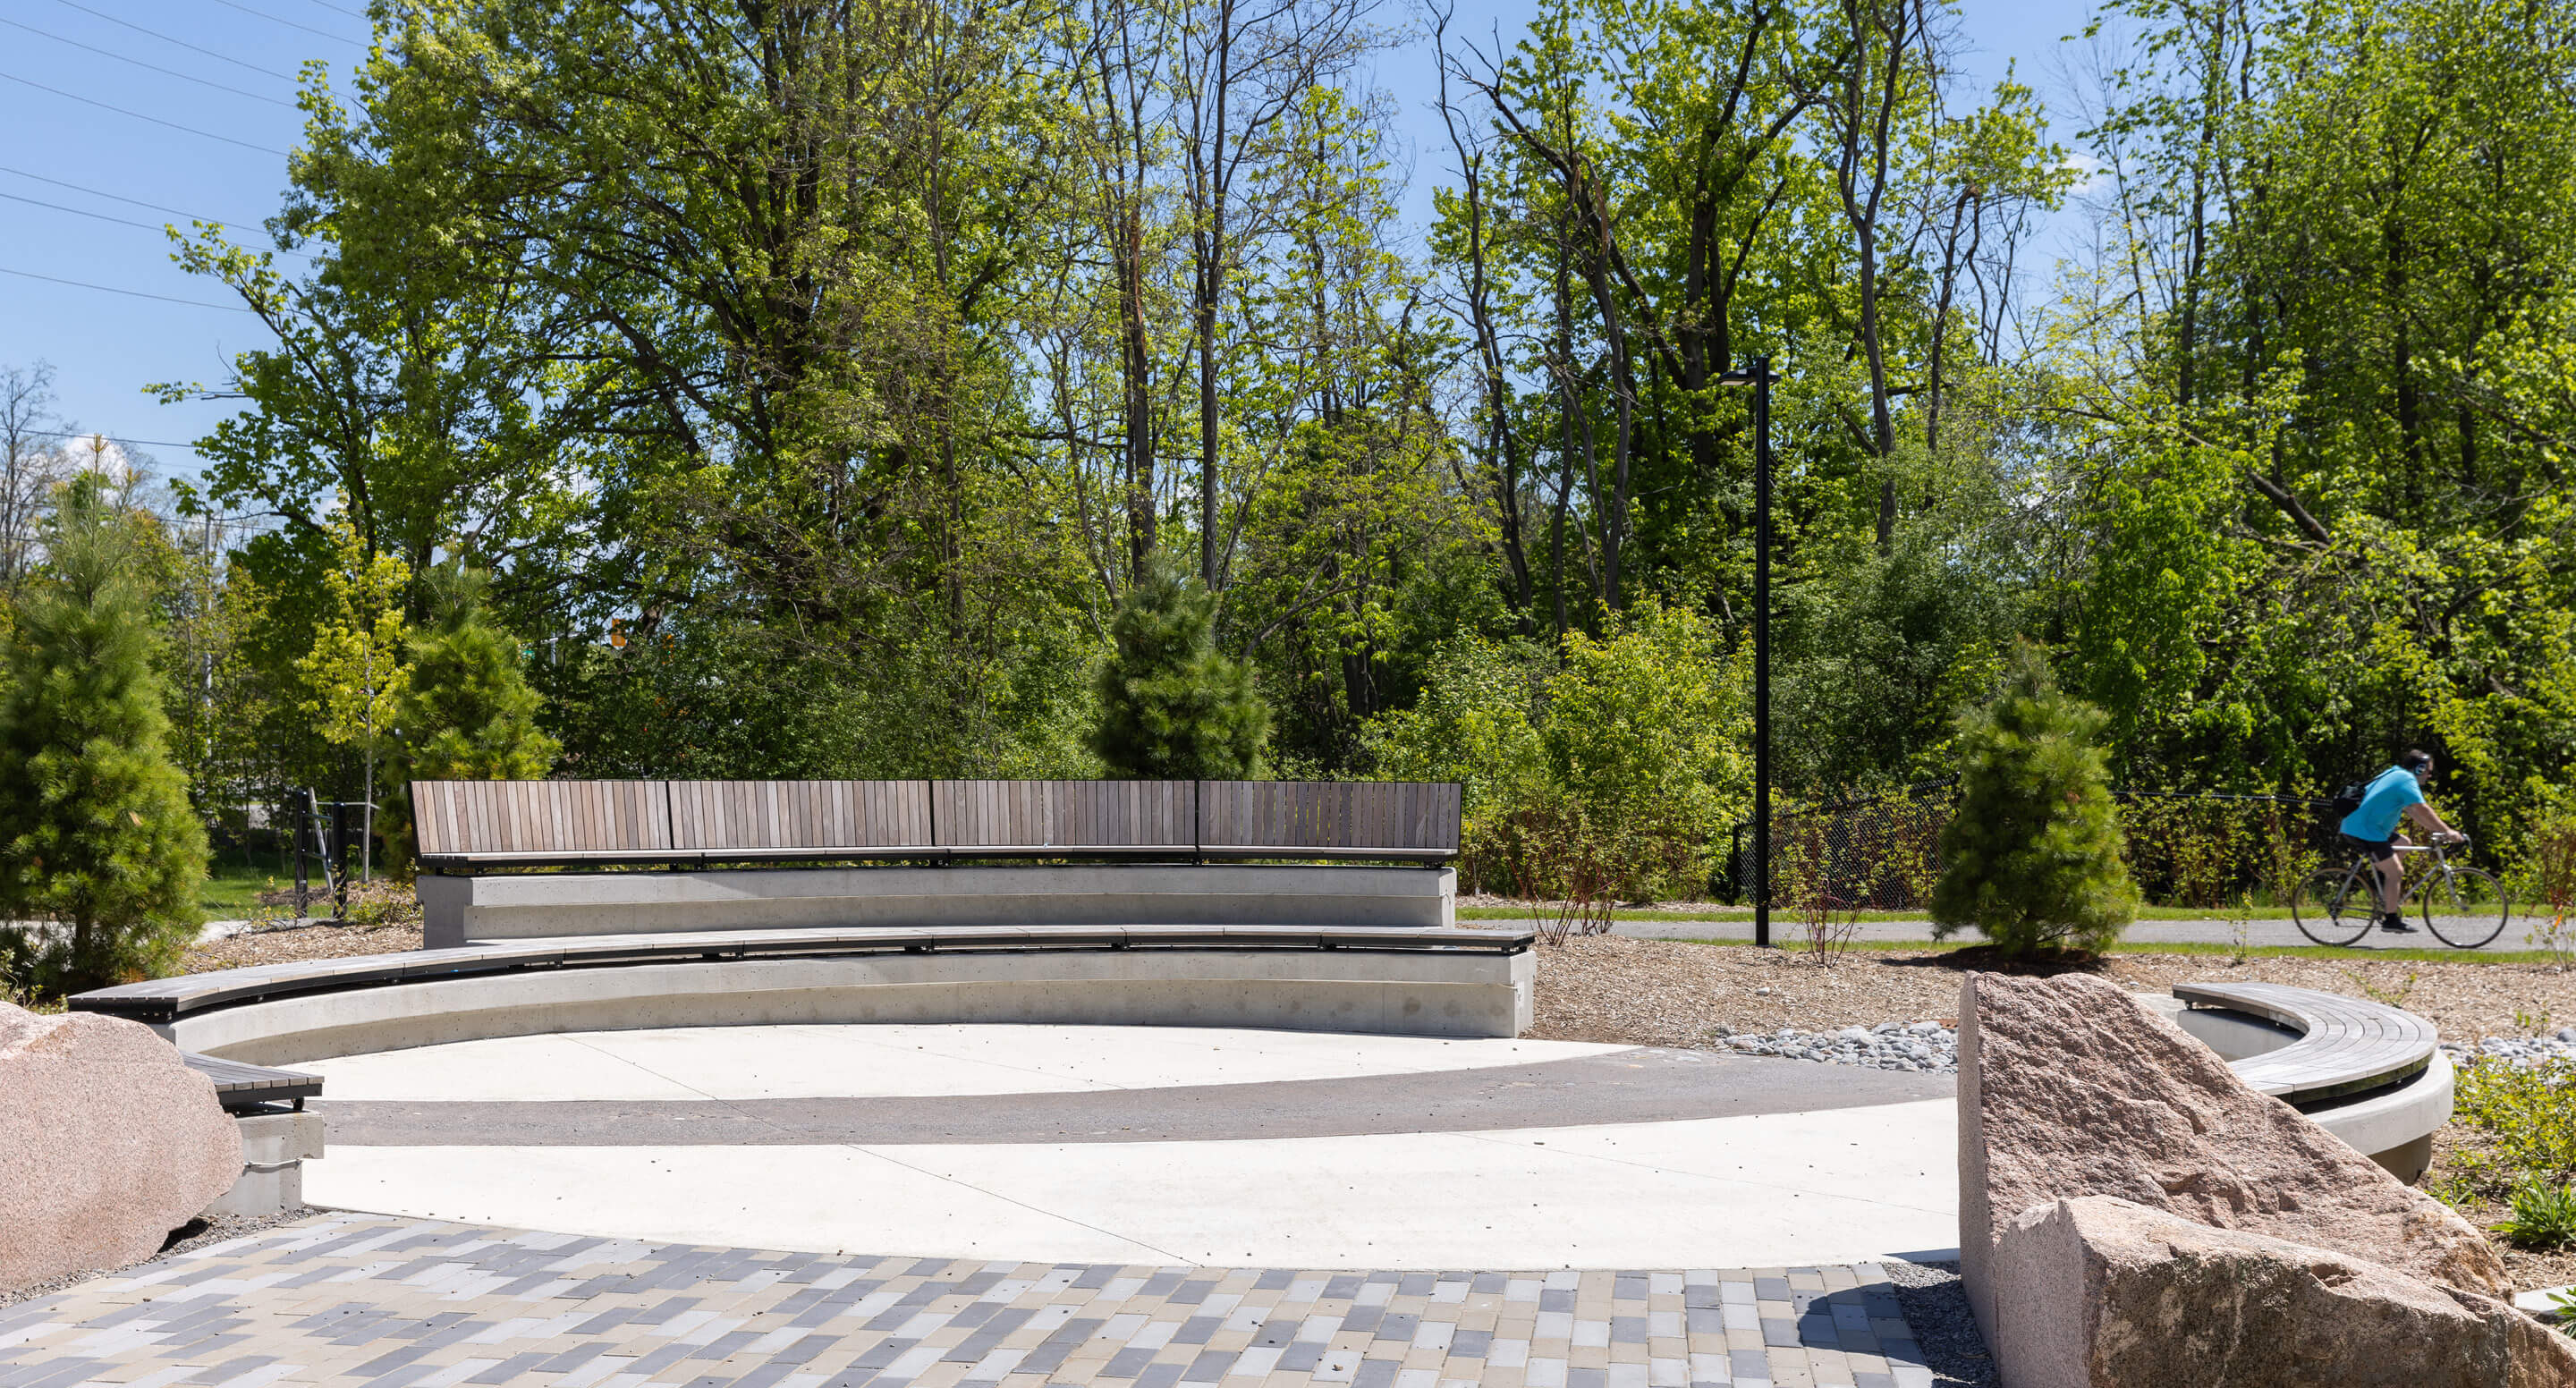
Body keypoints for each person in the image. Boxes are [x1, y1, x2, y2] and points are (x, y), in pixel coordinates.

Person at [2338, 749, 2466, 933]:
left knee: (2405, 842)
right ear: (2419, 769)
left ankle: (2385, 891)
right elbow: (2423, 808)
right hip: (2366, 831)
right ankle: (2390, 919)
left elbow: (2414, 812)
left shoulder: (2395, 773)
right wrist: (2448, 831)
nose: (2430, 776)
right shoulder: (2406, 780)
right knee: (2396, 872)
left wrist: (2439, 831)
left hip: (2369, 827)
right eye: (2429, 771)